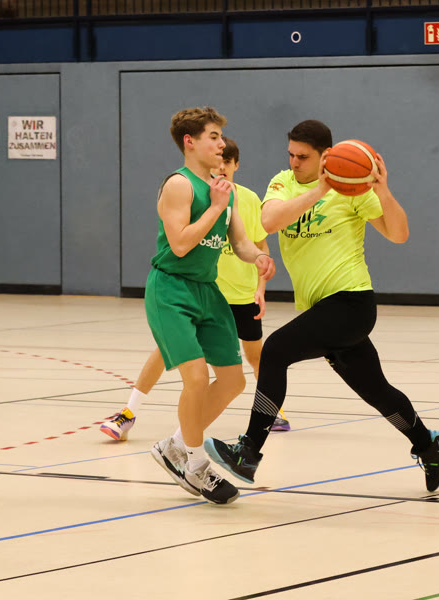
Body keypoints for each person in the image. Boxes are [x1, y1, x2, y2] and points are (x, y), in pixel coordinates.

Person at [204, 120, 439, 492]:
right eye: (291, 154)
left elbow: (399, 234)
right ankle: (429, 445)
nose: (294, 162)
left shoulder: (353, 191)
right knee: (376, 390)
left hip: (351, 302)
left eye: (303, 157)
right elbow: (269, 221)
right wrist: (320, 189)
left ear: (326, 156)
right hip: (321, 309)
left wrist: (382, 190)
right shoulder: (283, 183)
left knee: (274, 351)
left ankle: (248, 452)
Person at [100, 136, 289, 443]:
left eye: (228, 161)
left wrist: (261, 282)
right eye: (219, 158)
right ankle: (130, 411)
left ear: (237, 165)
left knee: (252, 360)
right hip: (200, 289)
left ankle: (271, 409)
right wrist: (214, 208)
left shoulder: (245, 198)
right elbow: (180, 242)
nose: (223, 166)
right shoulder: (188, 188)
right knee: (167, 354)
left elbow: (252, 243)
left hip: (239, 296)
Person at [141, 107, 275, 504]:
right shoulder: (179, 185)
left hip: (207, 290)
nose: (221, 144)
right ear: (190, 141)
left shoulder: (223, 190)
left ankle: (175, 446)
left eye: (220, 137)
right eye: (213, 137)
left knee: (233, 380)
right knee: (197, 378)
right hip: (171, 290)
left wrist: (258, 257)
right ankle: (196, 465)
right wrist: (215, 206)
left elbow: (240, 242)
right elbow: (181, 243)